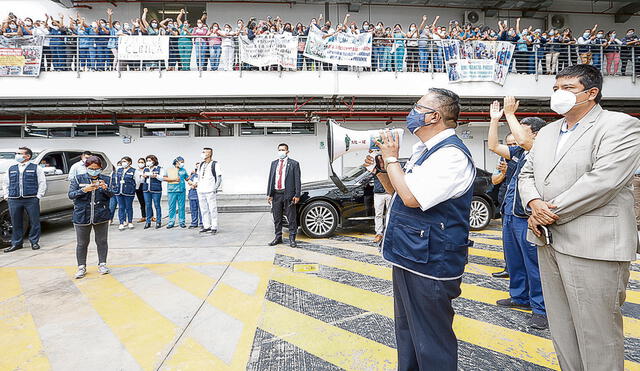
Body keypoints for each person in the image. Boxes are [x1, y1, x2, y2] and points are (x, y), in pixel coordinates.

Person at [519, 64, 640, 370]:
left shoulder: (619, 126)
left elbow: (603, 182)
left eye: (568, 88)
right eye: (556, 88)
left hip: (593, 245)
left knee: (597, 333)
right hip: (549, 243)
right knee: (562, 328)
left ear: (592, 93)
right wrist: (533, 202)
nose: (559, 94)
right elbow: (527, 173)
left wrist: (547, 211)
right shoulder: (547, 132)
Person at [366, 88, 474, 370]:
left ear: (434, 116)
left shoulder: (451, 155)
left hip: (431, 262)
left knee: (431, 341)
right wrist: (381, 169)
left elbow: (413, 199)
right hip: (410, 255)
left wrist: (391, 159)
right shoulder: (425, 151)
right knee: (409, 333)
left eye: (418, 107)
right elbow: (399, 193)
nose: (412, 112)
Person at [488, 97, 548, 329]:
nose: (515, 134)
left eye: (521, 130)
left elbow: (522, 140)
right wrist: (495, 120)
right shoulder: (520, 152)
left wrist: (510, 114)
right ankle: (519, 296)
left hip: (527, 216)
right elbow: (493, 146)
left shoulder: (539, 148)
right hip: (511, 213)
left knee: (534, 264)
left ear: (536, 134)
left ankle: (541, 309)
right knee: (515, 261)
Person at [68, 156, 113, 279]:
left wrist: (105, 188)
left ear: (100, 168)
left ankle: (102, 264)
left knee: (102, 241)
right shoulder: (78, 179)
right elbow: (71, 195)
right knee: (82, 243)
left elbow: (112, 194)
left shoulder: (106, 179)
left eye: (96, 168)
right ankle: (81, 266)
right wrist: (84, 190)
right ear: (86, 167)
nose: (94, 170)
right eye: (91, 168)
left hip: (101, 214)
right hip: (82, 215)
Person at [2, 147, 47, 253]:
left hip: (31, 198)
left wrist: (38, 196)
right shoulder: (11, 168)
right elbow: (5, 183)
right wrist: (6, 195)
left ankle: (34, 242)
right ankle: (16, 243)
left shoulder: (36, 168)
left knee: (34, 221)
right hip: (14, 199)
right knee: (16, 221)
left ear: (27, 156)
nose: (17, 155)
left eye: (19, 153)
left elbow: (42, 183)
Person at [490, 133, 517, 279]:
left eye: (515, 144)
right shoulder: (503, 159)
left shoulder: (526, 157)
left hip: (521, 207)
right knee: (508, 241)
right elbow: (494, 180)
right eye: (509, 145)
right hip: (505, 204)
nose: (512, 147)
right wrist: (504, 173)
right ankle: (509, 267)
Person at [267, 143, 302, 248]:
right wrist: (269, 194)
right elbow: (271, 179)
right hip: (276, 195)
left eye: (283, 150)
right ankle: (278, 237)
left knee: (291, 218)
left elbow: (297, 180)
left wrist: (297, 195)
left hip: (289, 195)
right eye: (279, 150)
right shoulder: (274, 164)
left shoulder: (294, 164)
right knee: (277, 217)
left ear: (287, 151)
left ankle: (292, 238)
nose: (281, 152)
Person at [196, 148, 222, 234]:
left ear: (209, 154)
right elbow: (199, 176)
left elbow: (219, 177)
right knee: (203, 209)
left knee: (212, 209)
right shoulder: (201, 164)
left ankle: (214, 226)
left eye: (204, 152)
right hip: (201, 190)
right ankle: (206, 225)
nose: (202, 153)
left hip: (210, 190)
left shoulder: (215, 164)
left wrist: (215, 188)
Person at [367, 154, 391, 244]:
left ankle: (388, 232)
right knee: (378, 214)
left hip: (389, 193)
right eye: (379, 160)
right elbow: (368, 170)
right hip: (378, 193)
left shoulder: (389, 168)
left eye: (382, 160)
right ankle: (379, 233)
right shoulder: (375, 169)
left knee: (390, 214)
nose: (381, 162)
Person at [111, 156, 138, 231]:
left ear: (129, 162)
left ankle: (130, 222)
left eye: (125, 161)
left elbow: (137, 181)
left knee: (129, 207)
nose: (123, 163)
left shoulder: (134, 171)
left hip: (129, 192)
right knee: (121, 207)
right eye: (122, 161)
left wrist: (133, 189)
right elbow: (115, 179)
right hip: (119, 191)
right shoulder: (119, 170)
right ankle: (121, 223)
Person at [164, 156, 189, 229]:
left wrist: (193, 174)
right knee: (172, 207)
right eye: (181, 162)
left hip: (181, 190)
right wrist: (173, 179)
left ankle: (182, 222)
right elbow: (165, 178)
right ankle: (171, 222)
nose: (182, 163)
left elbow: (187, 178)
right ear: (176, 162)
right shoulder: (169, 170)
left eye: (183, 162)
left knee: (181, 207)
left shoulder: (183, 170)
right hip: (172, 191)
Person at [141, 155, 165, 229]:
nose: (148, 162)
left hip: (156, 190)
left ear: (154, 161)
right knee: (148, 206)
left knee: (157, 205)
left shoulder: (159, 168)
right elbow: (142, 181)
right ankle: (148, 222)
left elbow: (162, 178)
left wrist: (156, 176)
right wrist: (143, 177)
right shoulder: (145, 169)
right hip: (146, 189)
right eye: (147, 160)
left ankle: (158, 221)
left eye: (150, 160)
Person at [187, 163, 202, 229]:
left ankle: (202, 223)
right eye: (196, 167)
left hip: (200, 195)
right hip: (192, 195)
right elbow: (189, 181)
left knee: (201, 210)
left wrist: (195, 185)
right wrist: (193, 184)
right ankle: (194, 223)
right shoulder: (193, 175)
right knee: (193, 210)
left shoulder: (203, 175)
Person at [134, 157, 147, 223]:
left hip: (145, 186)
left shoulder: (146, 169)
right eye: (139, 162)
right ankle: (143, 216)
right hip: (138, 187)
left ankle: (151, 216)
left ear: (145, 163)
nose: (140, 164)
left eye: (142, 162)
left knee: (147, 202)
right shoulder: (136, 170)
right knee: (142, 202)